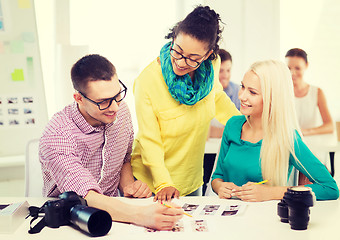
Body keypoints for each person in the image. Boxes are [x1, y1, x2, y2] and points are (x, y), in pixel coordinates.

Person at [39, 54, 183, 230]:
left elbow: (124, 160)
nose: (114, 107)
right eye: (103, 102)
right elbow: (86, 196)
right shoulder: (57, 134)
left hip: (118, 213)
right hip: (69, 218)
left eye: (117, 96)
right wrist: (140, 215)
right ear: (79, 98)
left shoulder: (120, 110)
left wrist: (129, 186)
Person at [131, 5, 239, 202]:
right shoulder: (147, 81)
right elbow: (149, 140)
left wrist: (245, 126)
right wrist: (163, 183)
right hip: (152, 182)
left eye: (193, 59)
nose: (181, 63)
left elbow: (216, 97)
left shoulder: (212, 66)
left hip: (192, 179)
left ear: (207, 56)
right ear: (173, 39)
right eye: (177, 51)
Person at [211, 60, 339, 201]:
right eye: (243, 87)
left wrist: (271, 193)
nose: (241, 96)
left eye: (252, 92)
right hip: (228, 216)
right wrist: (219, 187)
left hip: (266, 218)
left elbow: (330, 188)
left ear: (272, 98)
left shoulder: (287, 138)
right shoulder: (232, 125)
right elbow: (217, 176)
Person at [285, 48, 334, 136]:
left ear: (306, 66)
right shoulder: (281, 92)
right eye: (288, 68)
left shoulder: (317, 92)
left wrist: (306, 132)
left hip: (313, 145)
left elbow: (330, 126)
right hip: (289, 144)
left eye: (297, 68)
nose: (292, 73)